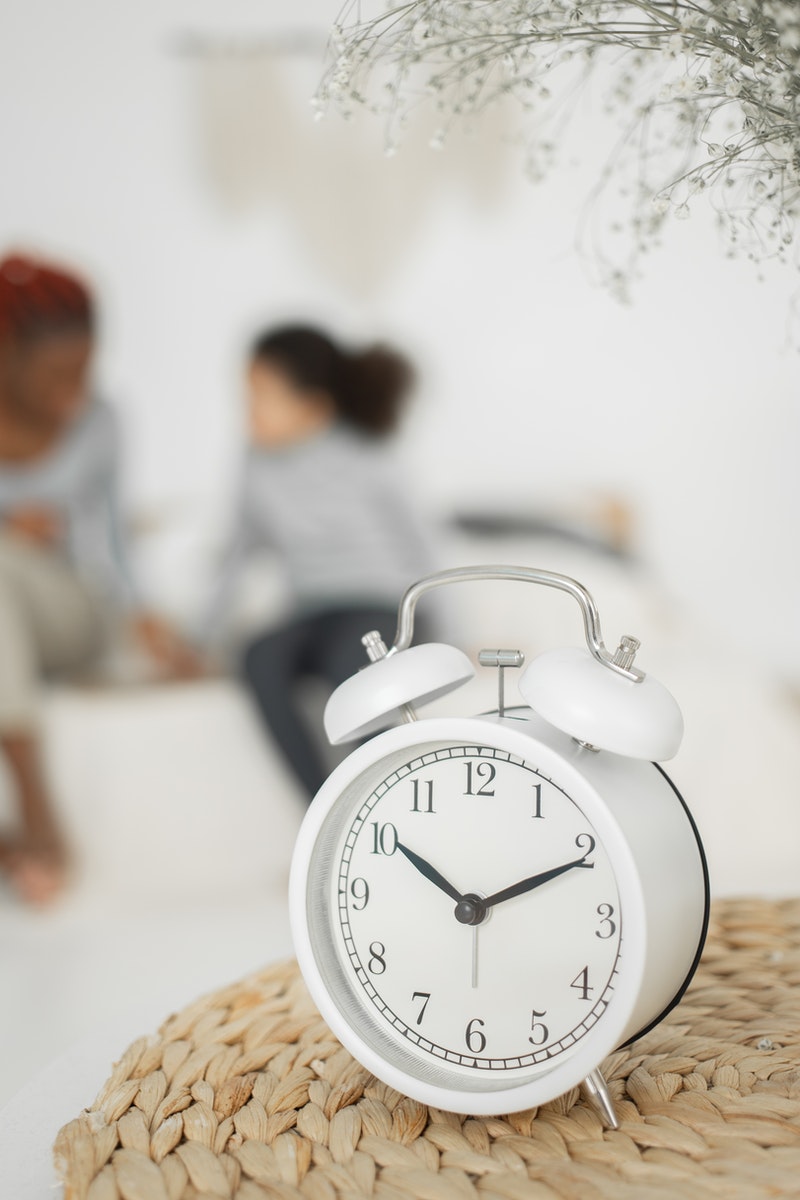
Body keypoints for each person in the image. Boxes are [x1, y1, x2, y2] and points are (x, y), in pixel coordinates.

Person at [0, 252, 199, 903]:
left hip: (66, 613)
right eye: (58, 373)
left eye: (86, 368)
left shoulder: (100, 421)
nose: (75, 391)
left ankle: (35, 809)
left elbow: (114, 544)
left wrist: (148, 618)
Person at [207, 323, 437, 801]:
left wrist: (456, 635)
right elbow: (235, 554)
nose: (246, 412)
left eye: (261, 397)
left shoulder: (370, 453)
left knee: (349, 668)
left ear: (313, 404)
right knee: (259, 657)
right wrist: (200, 637)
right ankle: (324, 809)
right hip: (311, 610)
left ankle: (389, 805)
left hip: (380, 605)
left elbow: (426, 546)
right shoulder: (255, 462)